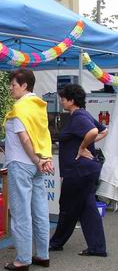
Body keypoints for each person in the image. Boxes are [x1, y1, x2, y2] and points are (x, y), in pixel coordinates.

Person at [3, 69, 54, 271]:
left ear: (24, 85)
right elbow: (43, 134)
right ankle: (43, 254)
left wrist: (35, 159)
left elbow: (24, 138)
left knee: (20, 212)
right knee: (40, 210)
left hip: (21, 163)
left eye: (13, 84)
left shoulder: (20, 107)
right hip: (37, 164)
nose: (11, 88)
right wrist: (43, 159)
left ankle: (23, 259)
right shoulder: (38, 106)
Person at [49, 84, 108, 256]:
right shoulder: (85, 114)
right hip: (87, 170)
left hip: (78, 171)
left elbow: (93, 131)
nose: (61, 101)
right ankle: (97, 248)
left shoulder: (78, 116)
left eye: (63, 98)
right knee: (87, 208)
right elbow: (104, 131)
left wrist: (82, 147)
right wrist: (86, 142)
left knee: (67, 207)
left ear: (71, 101)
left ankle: (56, 242)